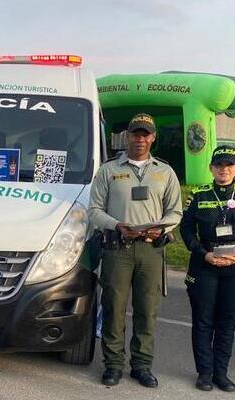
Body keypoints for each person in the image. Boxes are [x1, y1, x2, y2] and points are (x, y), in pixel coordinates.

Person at [88, 113, 183, 388]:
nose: (140, 139)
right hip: (118, 248)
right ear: (127, 136)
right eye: (135, 134)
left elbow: (175, 211)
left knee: (147, 310)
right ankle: (113, 365)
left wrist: (162, 228)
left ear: (153, 138)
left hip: (151, 251)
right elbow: (95, 210)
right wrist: (116, 225)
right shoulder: (108, 170)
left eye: (146, 134)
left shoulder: (164, 171)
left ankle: (142, 365)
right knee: (114, 308)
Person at [179, 145, 235, 392]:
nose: (224, 169)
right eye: (219, 165)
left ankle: (221, 373)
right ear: (211, 168)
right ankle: (205, 373)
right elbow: (185, 229)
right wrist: (202, 254)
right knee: (203, 321)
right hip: (205, 264)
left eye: (229, 165)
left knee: (227, 322)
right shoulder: (198, 195)